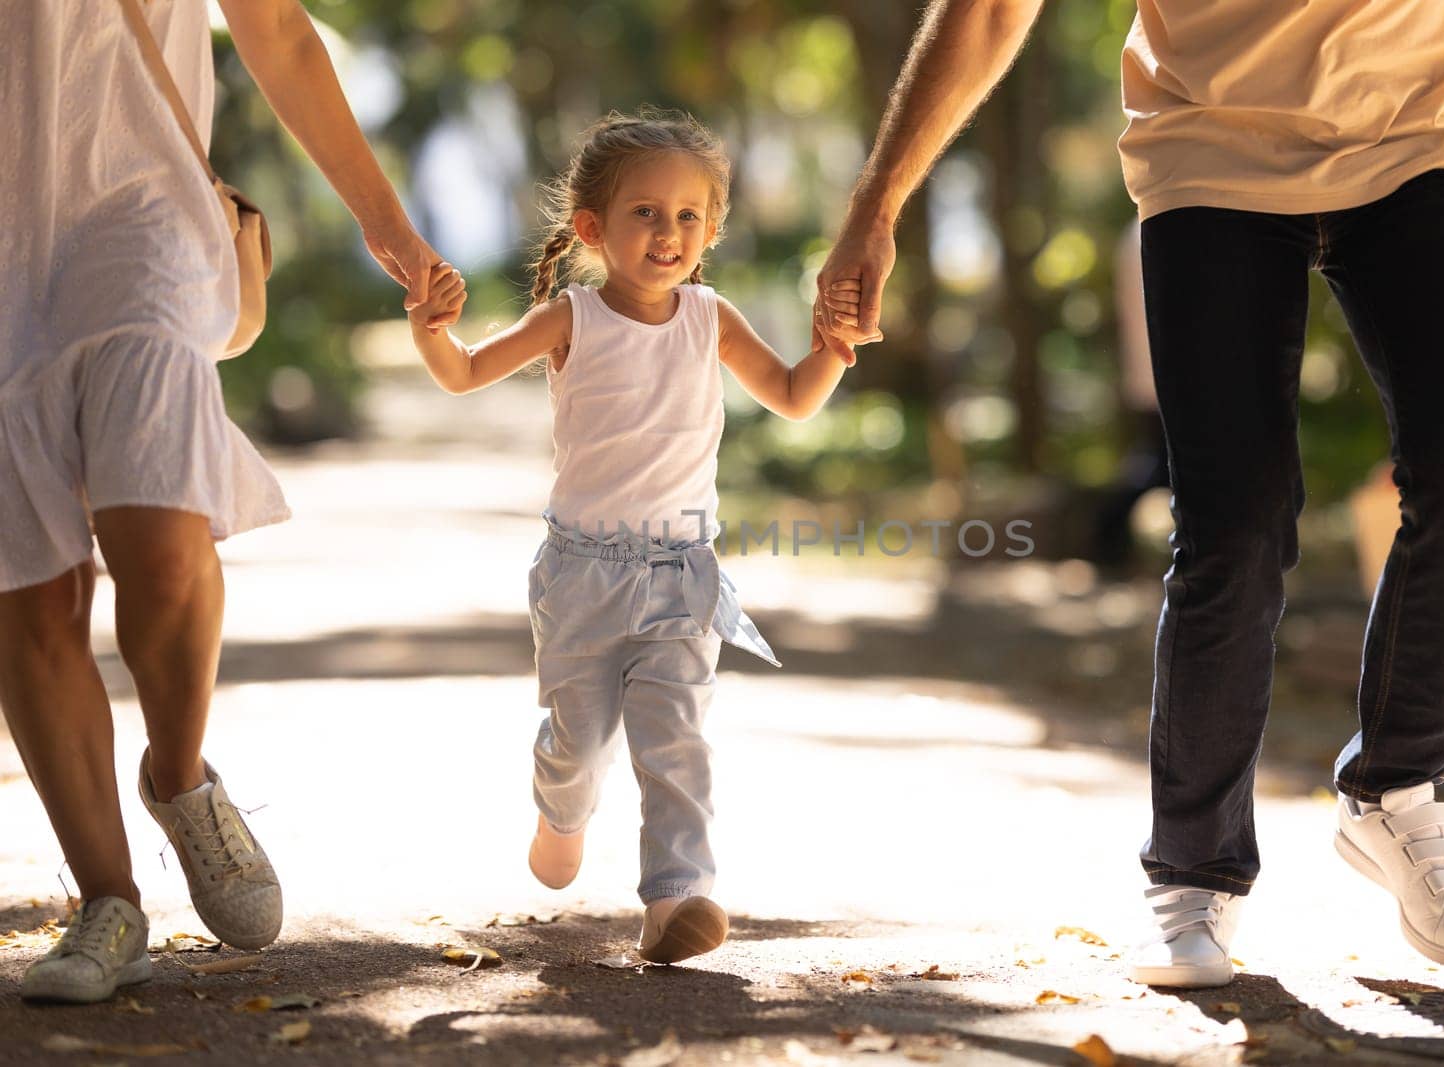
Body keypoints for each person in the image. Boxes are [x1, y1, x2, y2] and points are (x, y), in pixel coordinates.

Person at [814, 0, 1444, 986]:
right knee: (1233, 524)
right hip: (1211, 145)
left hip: (1427, 123)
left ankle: (1395, 789)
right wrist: (876, 203)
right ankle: (1195, 869)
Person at [0, 0, 453, 1004]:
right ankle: (108, 902)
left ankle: (178, 771)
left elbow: (277, 28)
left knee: (160, 535)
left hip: (139, 207)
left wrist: (384, 219)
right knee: (29, 589)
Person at [405, 110, 855, 964]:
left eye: (689, 216)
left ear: (712, 230)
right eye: (646, 213)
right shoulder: (571, 317)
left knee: (676, 739)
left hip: (682, 574)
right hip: (581, 577)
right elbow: (463, 373)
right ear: (593, 229)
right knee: (579, 745)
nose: (669, 232)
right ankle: (561, 808)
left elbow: (795, 394)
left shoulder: (710, 318)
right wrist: (431, 328)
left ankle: (676, 899)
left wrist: (834, 345)